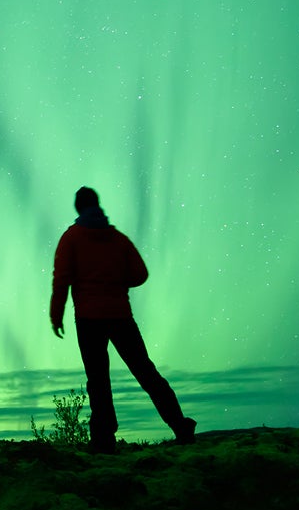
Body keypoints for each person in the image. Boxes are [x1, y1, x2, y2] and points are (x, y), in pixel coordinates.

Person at [50, 186, 196, 453]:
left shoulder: (71, 238)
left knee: (98, 380)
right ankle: (180, 425)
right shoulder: (118, 239)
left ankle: (104, 439)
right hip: (120, 316)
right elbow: (140, 274)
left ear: (78, 208)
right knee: (146, 371)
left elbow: (61, 279)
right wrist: (117, 282)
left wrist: (55, 315)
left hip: (88, 319)